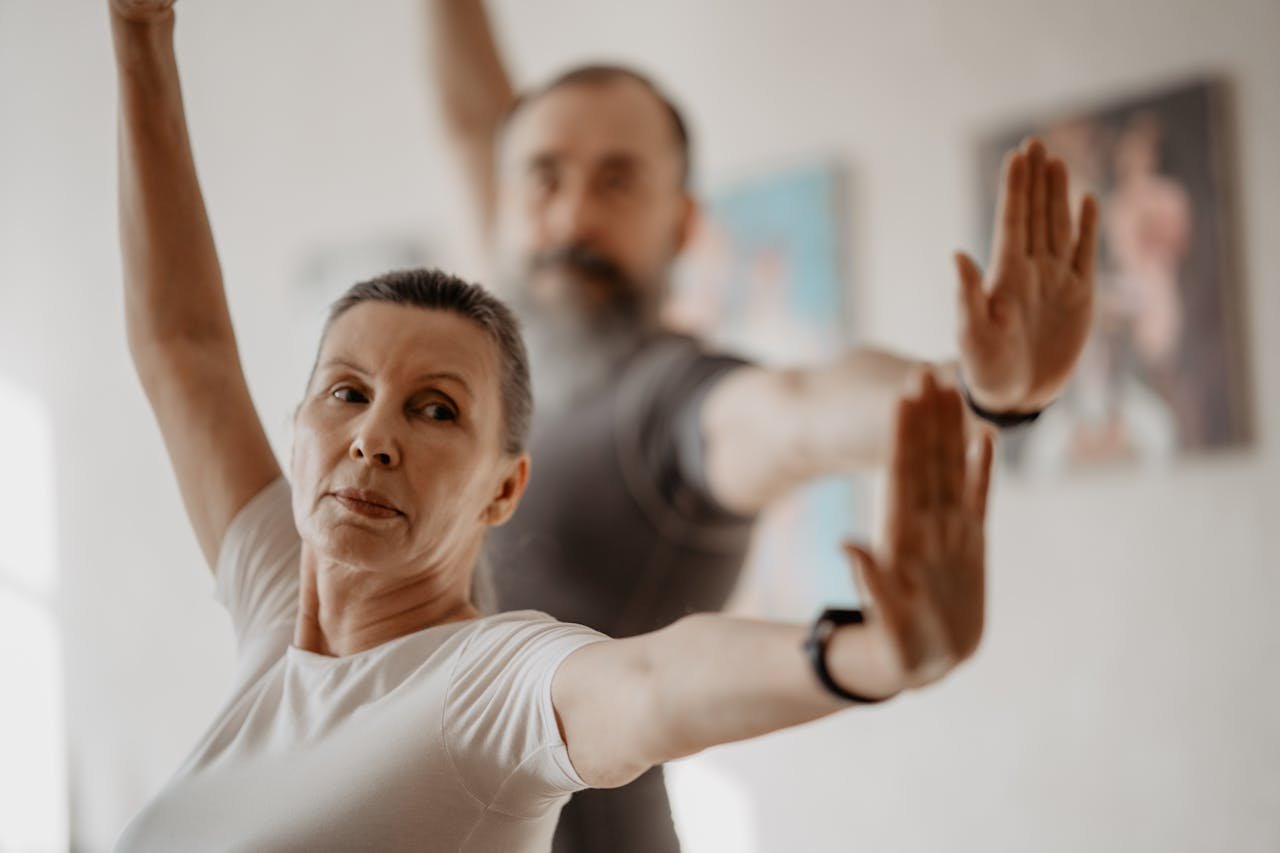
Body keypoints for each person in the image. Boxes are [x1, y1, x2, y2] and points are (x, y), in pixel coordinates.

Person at [110, 1, 996, 850]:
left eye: (435, 411)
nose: (374, 436)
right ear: (294, 426)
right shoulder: (279, 590)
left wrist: (863, 653)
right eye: (346, 392)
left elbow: (651, 682)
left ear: (504, 486)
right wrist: (140, 30)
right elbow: (182, 347)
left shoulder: (486, 683)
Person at [424, 3, 1099, 849]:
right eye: (544, 177)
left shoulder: (672, 399)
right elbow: (468, 122)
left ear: (684, 225)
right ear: (505, 200)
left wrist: (974, 396)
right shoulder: (488, 366)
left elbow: (797, 412)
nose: (571, 218)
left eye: (618, 180)